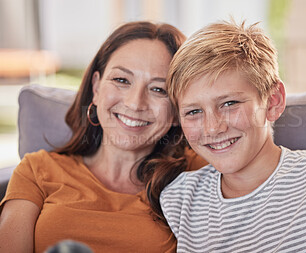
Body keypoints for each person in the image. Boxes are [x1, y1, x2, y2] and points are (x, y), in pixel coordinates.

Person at [160, 20, 306, 252]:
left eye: (229, 103)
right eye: (193, 112)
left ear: (273, 101)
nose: (212, 128)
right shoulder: (179, 198)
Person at [0, 21, 206, 253]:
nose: (135, 103)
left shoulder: (199, 175)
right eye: (121, 80)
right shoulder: (37, 169)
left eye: (159, 89)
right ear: (96, 88)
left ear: (179, 108)